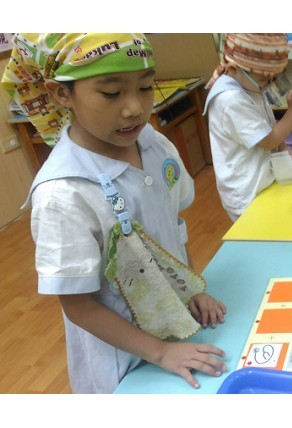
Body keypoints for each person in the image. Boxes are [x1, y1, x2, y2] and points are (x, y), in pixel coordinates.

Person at [1, 33, 227, 393]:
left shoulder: (155, 145)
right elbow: (79, 306)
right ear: (61, 93)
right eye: (111, 93)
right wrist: (161, 352)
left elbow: (172, 227)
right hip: (125, 364)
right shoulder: (63, 193)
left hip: (180, 329)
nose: (135, 108)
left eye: (146, 87)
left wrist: (190, 291)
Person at [203, 33, 292, 221]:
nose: (269, 85)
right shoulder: (230, 100)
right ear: (233, 69)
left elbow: (266, 126)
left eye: (274, 78)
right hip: (246, 194)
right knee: (262, 236)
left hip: (263, 183)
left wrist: (284, 148)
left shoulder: (248, 84)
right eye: (264, 81)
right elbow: (268, 140)